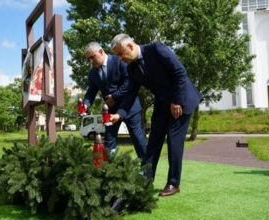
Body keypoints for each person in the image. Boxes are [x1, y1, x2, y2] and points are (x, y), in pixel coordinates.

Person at [109, 34, 202, 197]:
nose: (120, 58)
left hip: (181, 100)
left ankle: (173, 183)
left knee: (174, 141)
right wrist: (119, 114)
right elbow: (131, 94)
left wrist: (177, 101)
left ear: (130, 46)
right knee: (153, 142)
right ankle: (145, 180)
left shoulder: (157, 49)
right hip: (162, 103)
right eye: (117, 55)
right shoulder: (132, 68)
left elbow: (180, 73)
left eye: (121, 53)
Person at [82, 42, 147, 160]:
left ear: (101, 52)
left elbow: (129, 83)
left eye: (92, 57)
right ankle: (110, 168)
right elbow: (91, 92)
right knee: (109, 139)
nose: (91, 61)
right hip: (111, 112)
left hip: (130, 107)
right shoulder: (92, 73)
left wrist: (115, 97)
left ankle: (147, 168)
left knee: (137, 138)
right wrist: (86, 105)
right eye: (88, 59)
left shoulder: (119, 61)